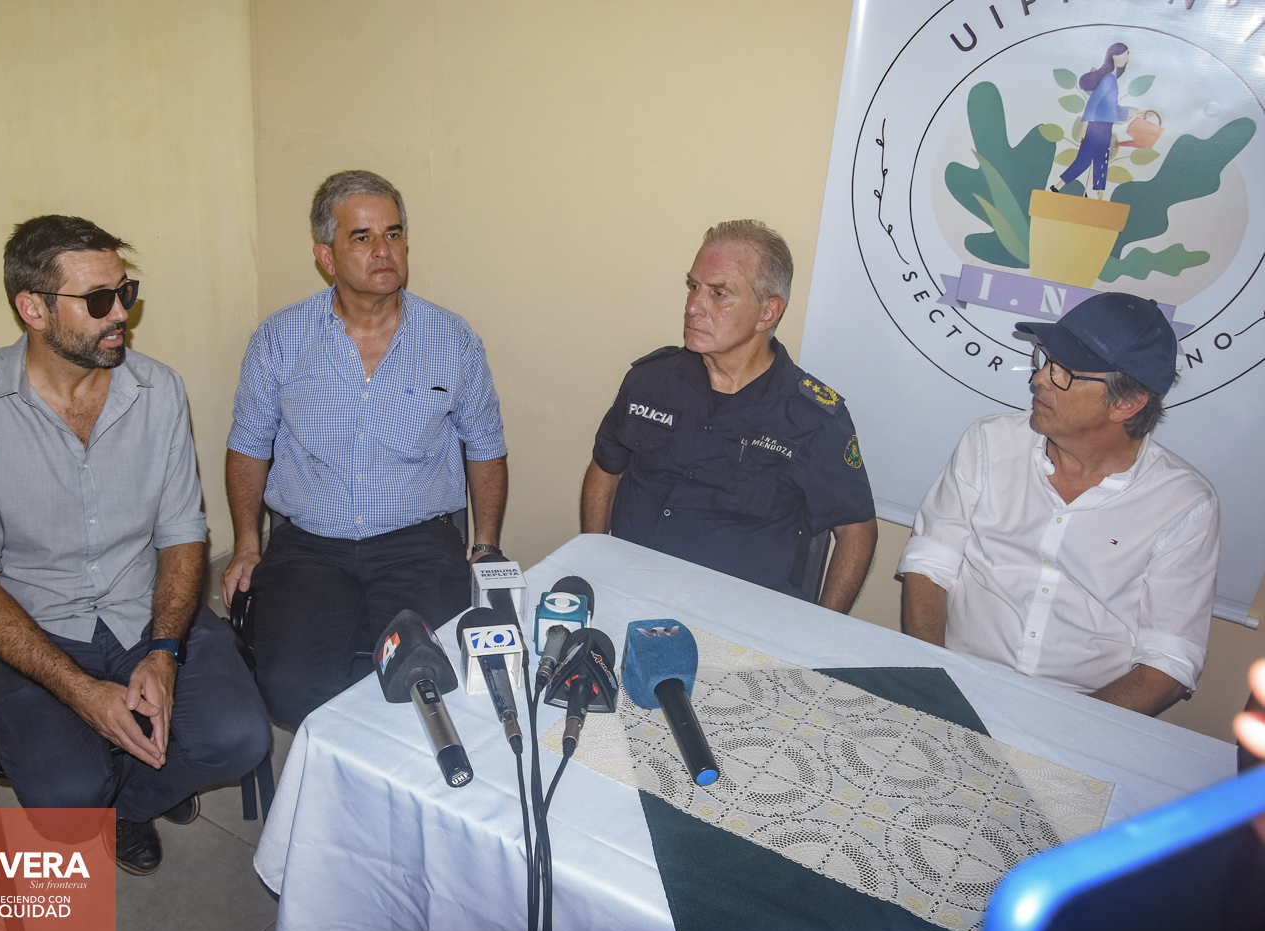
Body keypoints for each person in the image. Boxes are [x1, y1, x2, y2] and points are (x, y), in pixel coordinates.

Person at [0, 216, 271, 875]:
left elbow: (181, 533)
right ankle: (110, 790)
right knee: (65, 805)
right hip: (37, 625)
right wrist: (80, 692)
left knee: (240, 739)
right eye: (99, 300)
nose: (121, 316)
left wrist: (164, 653)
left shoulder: (158, 390)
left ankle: (131, 805)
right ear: (33, 309)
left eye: (125, 292)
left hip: (145, 607)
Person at [223, 170, 508, 728]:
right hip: (309, 547)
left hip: (416, 545)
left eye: (393, 234)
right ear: (325, 257)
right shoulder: (280, 339)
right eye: (362, 237)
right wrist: (245, 545)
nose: (384, 250)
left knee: (428, 683)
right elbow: (248, 446)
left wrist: (486, 545)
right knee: (288, 690)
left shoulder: (452, 340)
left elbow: (486, 447)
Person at [898, 292, 1219, 716]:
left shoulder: (1185, 504)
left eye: (1065, 372)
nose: (1040, 379)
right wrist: (935, 681)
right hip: (957, 682)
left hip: (1087, 713)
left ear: (1127, 403)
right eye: (1045, 359)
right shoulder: (989, 442)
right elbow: (929, 562)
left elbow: (1169, 661)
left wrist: (1062, 726)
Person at [580, 220, 878, 612]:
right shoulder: (651, 381)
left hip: (734, 618)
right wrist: (594, 562)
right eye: (693, 286)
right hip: (626, 592)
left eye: (719, 293)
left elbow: (857, 530)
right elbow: (605, 469)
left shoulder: (811, 418)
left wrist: (821, 628)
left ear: (767, 312)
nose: (692, 306)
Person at [1052, 43, 1140, 199]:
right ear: (1114, 56)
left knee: (1101, 160)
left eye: (1128, 53)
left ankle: (1099, 196)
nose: (1127, 57)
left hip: (1106, 127)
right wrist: (1085, 126)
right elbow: (1094, 101)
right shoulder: (1109, 79)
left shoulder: (1111, 78)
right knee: (1085, 160)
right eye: (1125, 53)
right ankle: (1058, 186)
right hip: (1096, 127)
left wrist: (1136, 112)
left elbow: (1113, 108)